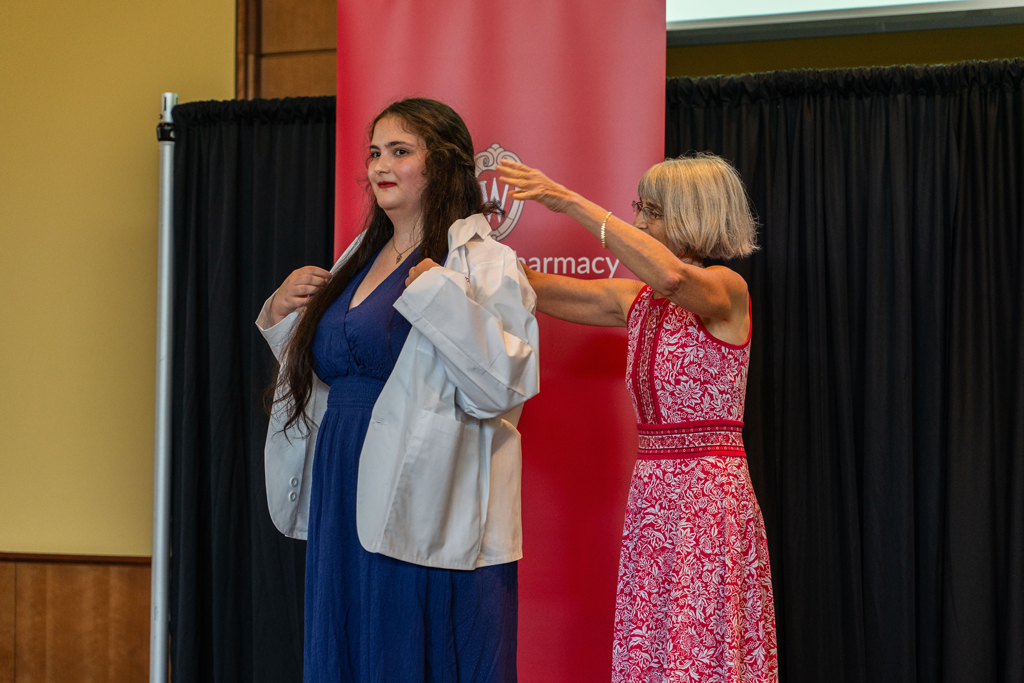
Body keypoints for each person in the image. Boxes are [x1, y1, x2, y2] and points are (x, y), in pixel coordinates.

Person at [257, 98, 539, 683]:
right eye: (375, 153)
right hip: (344, 477)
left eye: (401, 152)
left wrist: (438, 296)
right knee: (348, 645)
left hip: (424, 488)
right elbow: (331, 370)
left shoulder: (484, 263)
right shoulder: (356, 261)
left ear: (442, 167)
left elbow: (503, 388)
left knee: (408, 648)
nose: (381, 166)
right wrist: (282, 316)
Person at [499, 154, 777, 682]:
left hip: (705, 499)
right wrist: (462, 258)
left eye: (651, 211)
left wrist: (570, 202)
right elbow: (535, 289)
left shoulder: (726, 291)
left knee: (699, 646)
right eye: (639, 209)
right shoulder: (640, 301)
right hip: (654, 493)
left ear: (691, 216)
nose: (640, 222)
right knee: (653, 644)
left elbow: (673, 275)